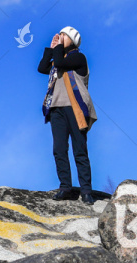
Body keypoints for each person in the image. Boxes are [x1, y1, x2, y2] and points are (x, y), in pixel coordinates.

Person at [37, 26, 98, 204]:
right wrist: (51, 47)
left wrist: (57, 49)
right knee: (59, 149)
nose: (60, 37)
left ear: (72, 39)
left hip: (75, 108)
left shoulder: (78, 57)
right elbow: (42, 68)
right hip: (56, 108)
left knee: (79, 149)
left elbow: (61, 64)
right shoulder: (59, 58)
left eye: (63, 35)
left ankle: (86, 190)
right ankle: (65, 187)